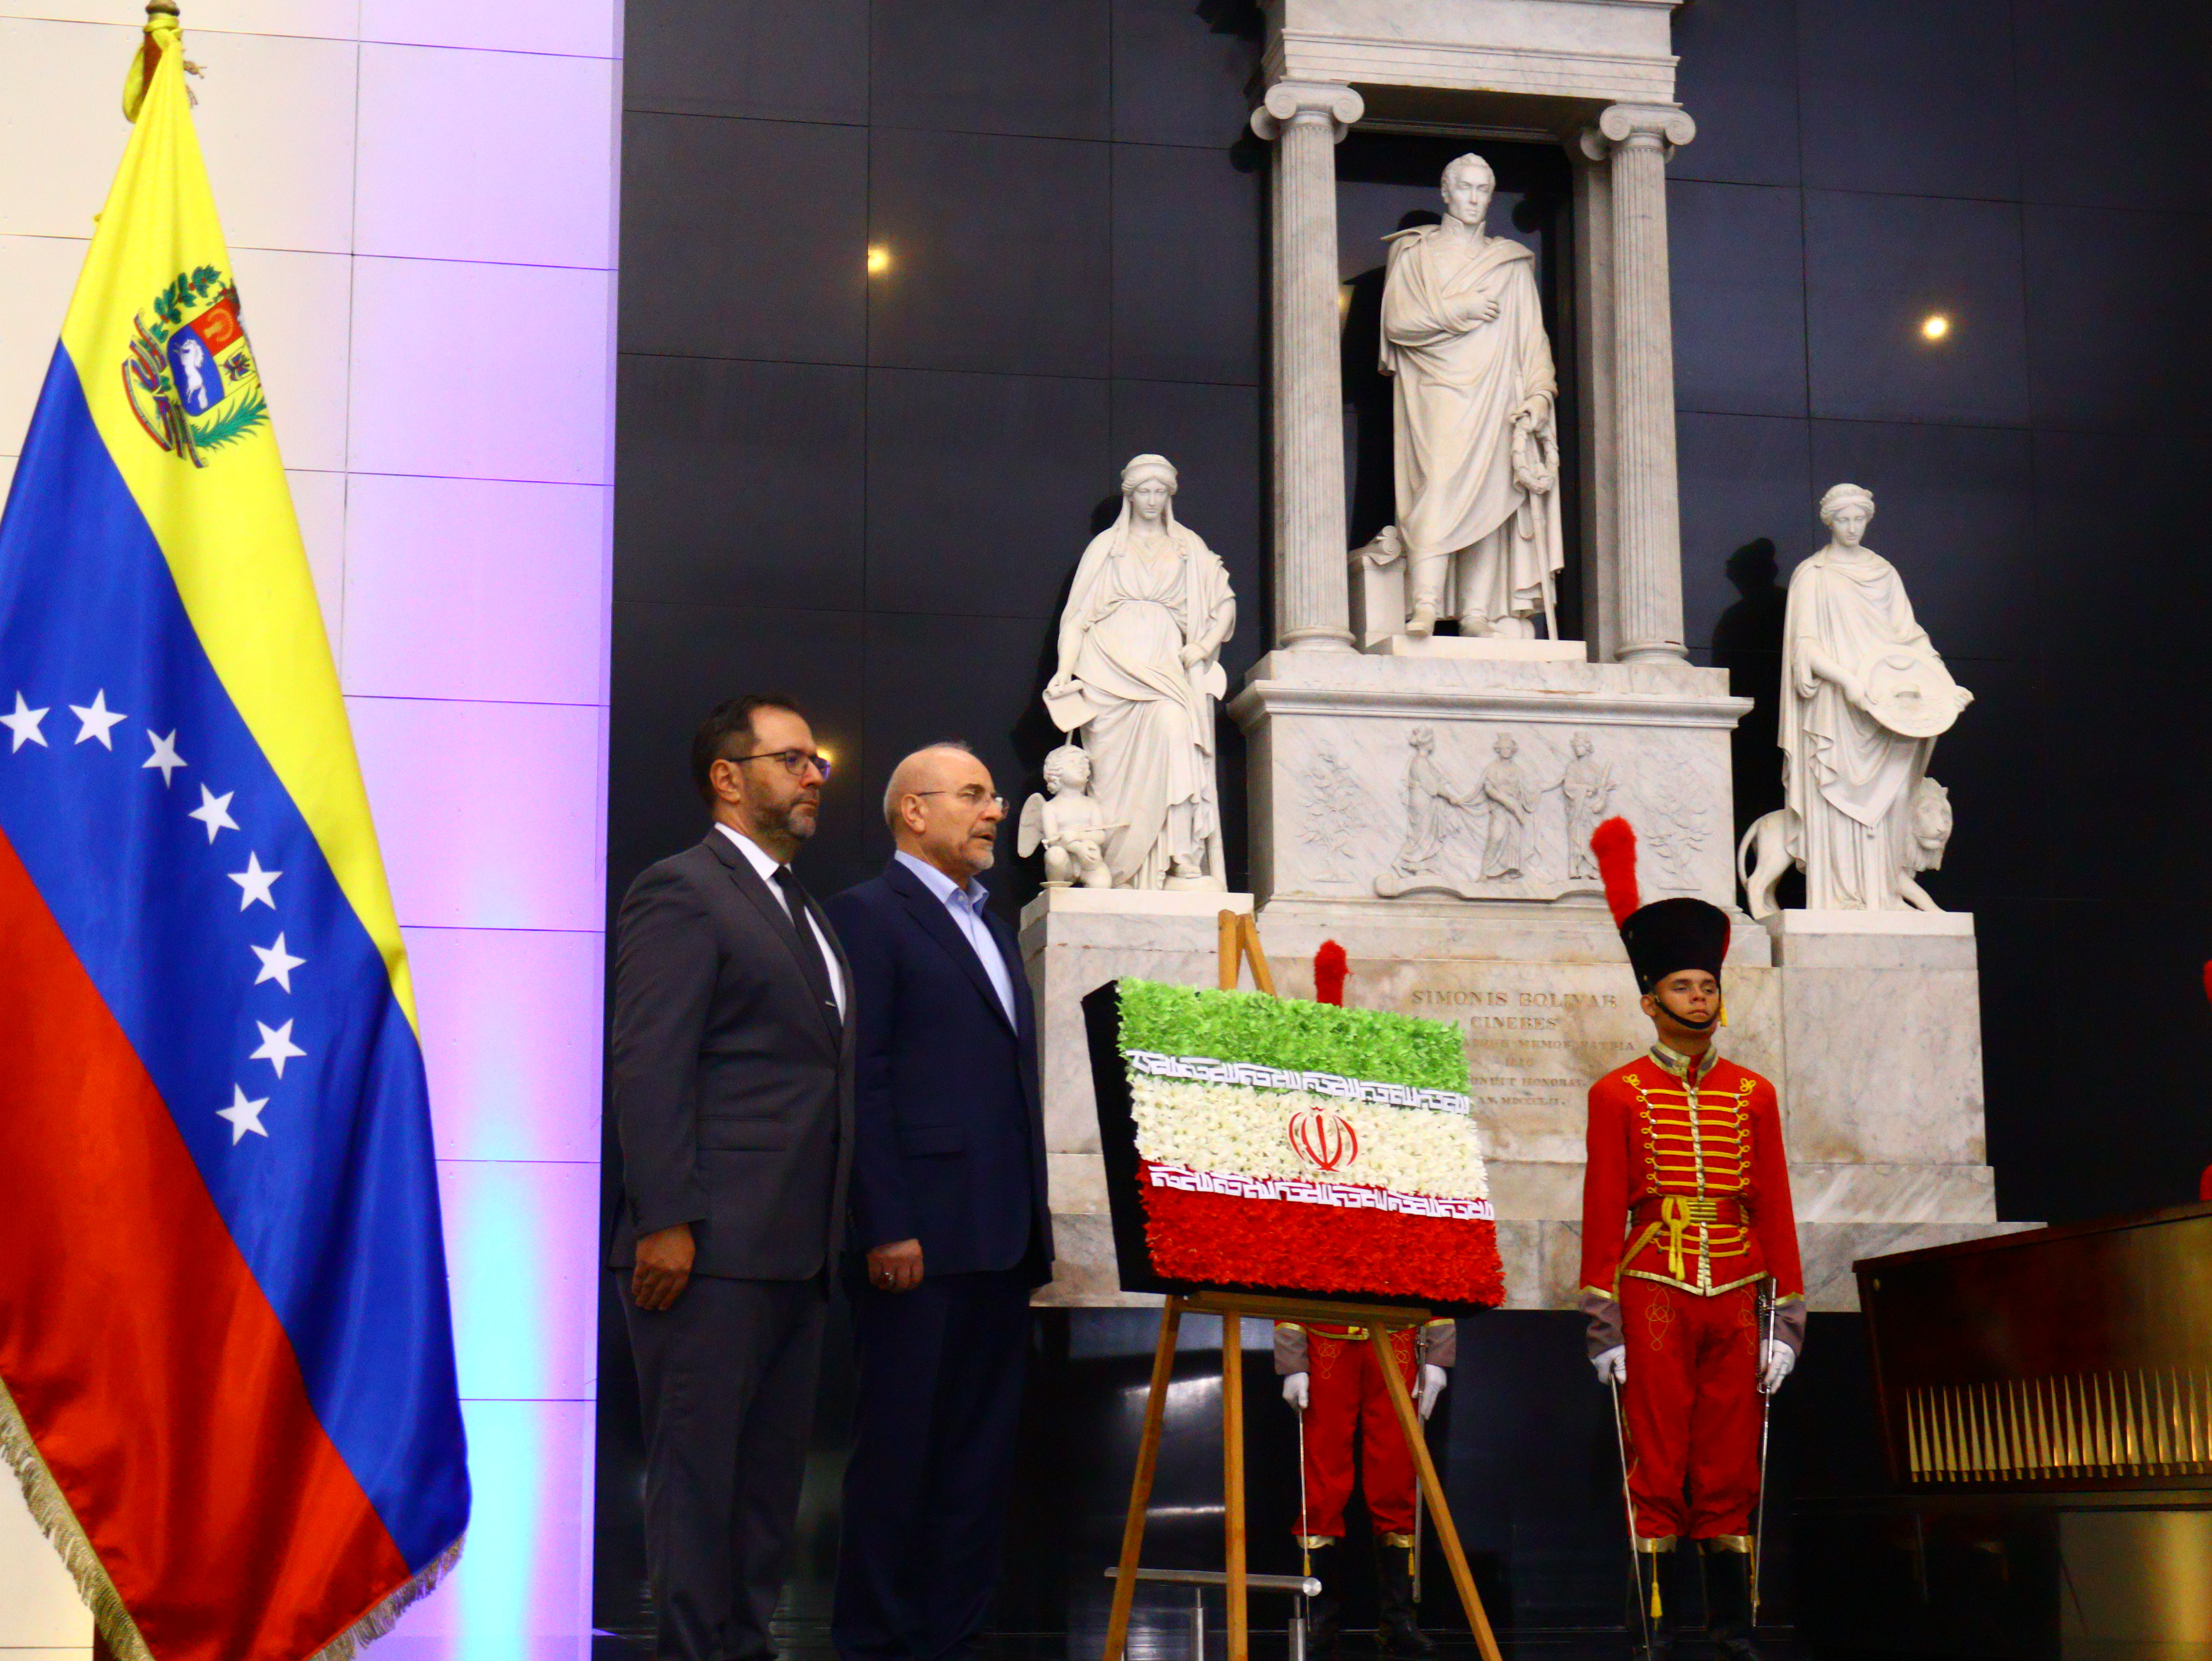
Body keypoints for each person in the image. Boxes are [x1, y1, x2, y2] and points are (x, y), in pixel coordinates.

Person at [610, 694, 854, 1661]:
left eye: (817, 763)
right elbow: (650, 1062)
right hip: (705, 1252)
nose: (813, 777)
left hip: (795, 1255)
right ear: (728, 775)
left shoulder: (805, 908)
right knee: (700, 1484)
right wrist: (665, 1217)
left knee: (764, 1498)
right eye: (793, 759)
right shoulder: (682, 888)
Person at [826, 743, 1055, 1661]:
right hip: (916, 1240)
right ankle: (874, 1638)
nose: (995, 810)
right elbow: (863, 1081)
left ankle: (950, 1636)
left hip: (1000, 1241)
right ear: (911, 812)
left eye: (992, 796)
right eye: (971, 796)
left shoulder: (995, 927)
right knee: (899, 1456)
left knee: (976, 1460)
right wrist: (887, 1221)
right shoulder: (866, 916)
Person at [1581, 817, 1804, 1661]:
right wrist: (1602, 1323)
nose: (1701, 998)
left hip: (1740, 1285)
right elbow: (1605, 1208)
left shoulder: (1754, 1092)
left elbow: (1775, 1206)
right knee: (1658, 1451)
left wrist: (1789, 1319)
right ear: (1651, 999)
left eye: (1708, 986)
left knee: (1730, 1458)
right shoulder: (1618, 1093)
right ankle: (1660, 1624)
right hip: (1653, 1285)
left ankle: (1732, 1624)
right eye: (1683, 986)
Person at [1380, 153, 1563, 639]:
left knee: (1492, 500)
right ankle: (1424, 606)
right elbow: (1398, 323)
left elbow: (1533, 340)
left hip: (1498, 397)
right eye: (1466, 188)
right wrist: (1459, 310)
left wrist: (1540, 396)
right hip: (1439, 393)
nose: (1475, 199)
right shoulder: (1415, 254)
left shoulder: (1511, 265)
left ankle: (1476, 613)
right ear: (1446, 192)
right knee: (1438, 490)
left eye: (1484, 190)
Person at [1043, 453, 1236, 889]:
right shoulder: (1107, 549)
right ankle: (1112, 864)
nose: (1151, 500)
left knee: (1176, 737)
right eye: (1143, 492)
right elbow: (1076, 618)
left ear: (1170, 497)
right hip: (1106, 669)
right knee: (1109, 773)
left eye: (1159, 492)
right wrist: (1064, 670)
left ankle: (1180, 855)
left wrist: (1203, 646)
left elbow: (1225, 603)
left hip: (1166, 672)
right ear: (1130, 496)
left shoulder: (1189, 547)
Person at [1780, 485, 1971, 911]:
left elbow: (1911, 638)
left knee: (1890, 801)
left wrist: (1943, 684)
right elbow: (1805, 647)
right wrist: (1848, 682)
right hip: (1839, 705)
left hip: (1886, 710)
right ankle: (1839, 897)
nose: (1852, 528)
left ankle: (1882, 895)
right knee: (1835, 795)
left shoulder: (1884, 573)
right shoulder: (1815, 574)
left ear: (1868, 519)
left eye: (1859, 519)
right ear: (1830, 522)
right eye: (1843, 520)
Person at [1276, 1319, 1455, 1658]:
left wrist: (1438, 1353)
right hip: (1325, 1337)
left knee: (1397, 1476)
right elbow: (1292, 1272)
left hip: (1397, 1335)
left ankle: (1399, 1618)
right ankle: (1320, 1617)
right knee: (1322, 1484)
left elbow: (1435, 1270)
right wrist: (1292, 1359)